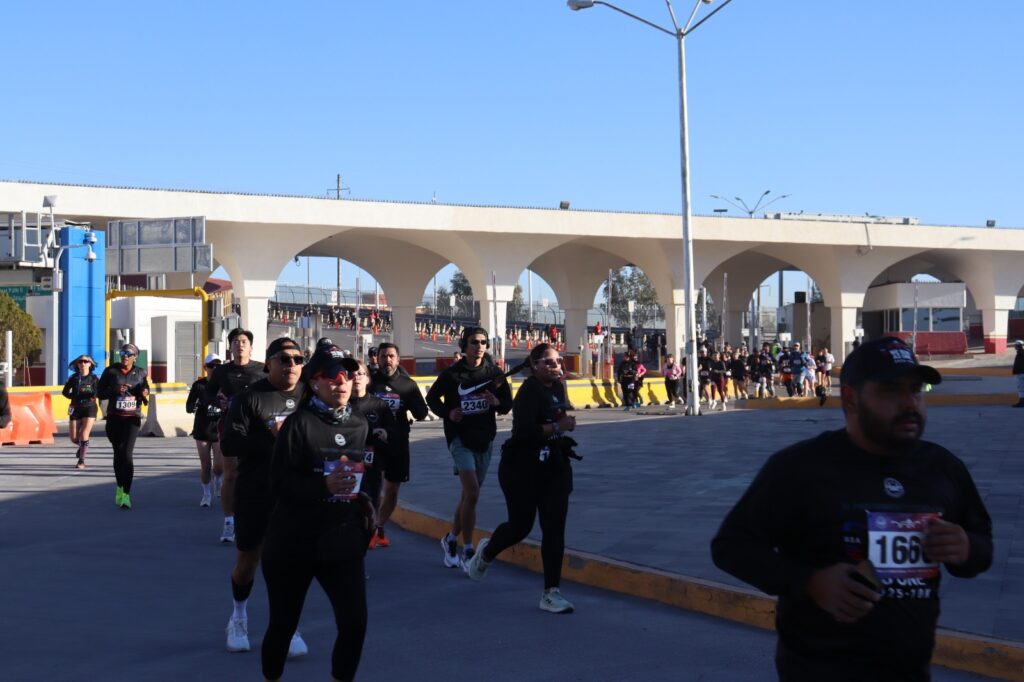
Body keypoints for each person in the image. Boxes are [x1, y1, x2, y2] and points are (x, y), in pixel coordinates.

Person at [711, 337, 993, 681]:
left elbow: (981, 545)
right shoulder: (799, 469)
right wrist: (809, 581)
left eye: (916, 390)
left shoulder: (943, 469)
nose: (910, 403)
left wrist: (965, 547)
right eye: (891, 390)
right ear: (850, 399)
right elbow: (731, 547)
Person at [260, 346, 373, 682]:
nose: (342, 382)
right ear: (314, 383)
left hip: (341, 539)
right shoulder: (298, 424)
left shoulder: (359, 423)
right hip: (294, 541)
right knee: (283, 625)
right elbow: (278, 484)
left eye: (347, 375)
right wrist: (323, 485)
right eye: (333, 376)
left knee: (355, 623)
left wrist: (363, 497)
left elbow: (354, 473)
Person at [465, 343, 578, 613]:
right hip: (521, 469)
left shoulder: (558, 387)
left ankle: (551, 592)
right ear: (534, 365)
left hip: (553, 467)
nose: (555, 365)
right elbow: (525, 432)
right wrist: (557, 426)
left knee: (554, 529)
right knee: (520, 527)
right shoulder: (529, 391)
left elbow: (557, 419)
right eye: (548, 362)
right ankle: (488, 551)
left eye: (558, 360)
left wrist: (563, 426)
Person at [220, 337, 308, 657]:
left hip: (296, 495)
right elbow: (230, 444)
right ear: (269, 363)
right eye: (284, 359)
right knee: (248, 561)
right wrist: (271, 437)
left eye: (297, 359)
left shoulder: (310, 395)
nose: (291, 365)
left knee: (290, 563)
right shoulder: (250, 398)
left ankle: (287, 625)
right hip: (256, 491)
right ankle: (238, 616)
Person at [426, 327, 513, 569]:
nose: (480, 346)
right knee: (472, 492)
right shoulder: (452, 375)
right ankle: (467, 549)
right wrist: (448, 413)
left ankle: (450, 538)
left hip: (484, 439)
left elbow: (507, 404)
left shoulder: (494, 373)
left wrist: (496, 402)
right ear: (464, 345)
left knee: (468, 496)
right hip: (459, 439)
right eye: (474, 342)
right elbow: (432, 398)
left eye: (483, 342)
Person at [207, 328, 266, 543]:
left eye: (243, 342)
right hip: (230, 426)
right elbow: (208, 392)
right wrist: (218, 402)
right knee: (230, 475)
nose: (239, 345)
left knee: (257, 475)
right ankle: (229, 522)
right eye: (235, 342)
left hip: (257, 428)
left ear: (251, 347)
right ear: (230, 347)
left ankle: (257, 518)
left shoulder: (262, 370)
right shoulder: (222, 371)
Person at [368, 342, 429, 547]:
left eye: (391, 356)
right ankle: (369, 527)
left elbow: (421, 413)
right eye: (383, 356)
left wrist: (410, 403)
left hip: (398, 442)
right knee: (373, 487)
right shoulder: (370, 382)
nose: (387, 360)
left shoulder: (407, 385)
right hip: (372, 443)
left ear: (398, 359)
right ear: (377, 359)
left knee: (392, 490)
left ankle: (379, 526)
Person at [97, 343, 150, 509]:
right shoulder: (110, 371)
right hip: (114, 418)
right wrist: (115, 389)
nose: (125, 356)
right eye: (122, 353)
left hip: (132, 418)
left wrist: (144, 392)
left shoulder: (141, 372)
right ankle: (119, 486)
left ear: (135, 357)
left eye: (128, 354)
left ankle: (126, 493)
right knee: (118, 453)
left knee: (127, 454)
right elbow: (100, 392)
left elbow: (146, 388)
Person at [349, 359, 396, 515]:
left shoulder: (379, 405)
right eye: (352, 374)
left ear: (368, 379)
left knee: (371, 509)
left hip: (372, 467)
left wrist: (385, 433)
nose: (356, 377)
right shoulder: (341, 404)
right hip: (347, 466)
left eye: (360, 374)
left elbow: (392, 429)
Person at [185, 353, 224, 507]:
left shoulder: (226, 384)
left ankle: (218, 481)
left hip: (219, 428)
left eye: (218, 365)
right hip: (202, 429)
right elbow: (188, 406)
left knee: (219, 467)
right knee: (205, 465)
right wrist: (196, 405)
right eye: (211, 366)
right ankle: (206, 494)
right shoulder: (198, 385)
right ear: (205, 367)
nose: (215, 368)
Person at [62, 354, 99, 470]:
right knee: (74, 438)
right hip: (75, 407)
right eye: (80, 362)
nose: (83, 363)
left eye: (85, 361)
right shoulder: (73, 378)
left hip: (89, 407)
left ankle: (81, 460)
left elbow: (98, 392)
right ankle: (83, 445)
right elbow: (65, 392)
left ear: (90, 364)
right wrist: (74, 396)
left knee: (84, 433)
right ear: (77, 364)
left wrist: (92, 395)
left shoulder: (94, 378)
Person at [1013, 340, 1024, 408]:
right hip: (1021, 373)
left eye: (1015, 345)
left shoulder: (1020, 353)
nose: (1015, 346)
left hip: (1020, 373)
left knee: (1021, 388)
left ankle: (1022, 402)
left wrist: (1016, 371)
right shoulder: (1021, 353)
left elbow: (1018, 364)